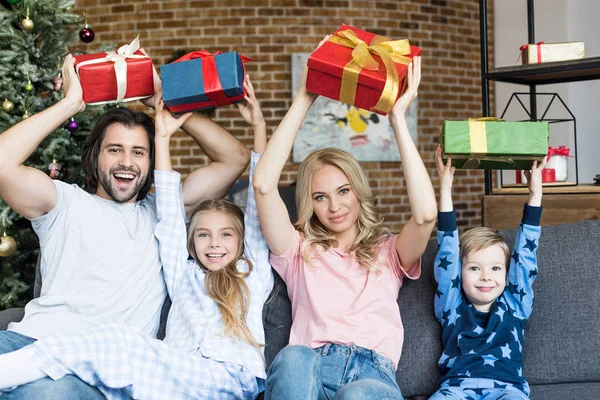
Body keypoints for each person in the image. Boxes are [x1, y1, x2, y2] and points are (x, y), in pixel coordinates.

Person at [0, 75, 273, 399]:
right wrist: (70, 104)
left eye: (139, 152)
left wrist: (166, 104)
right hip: (26, 342)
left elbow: (236, 158)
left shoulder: (165, 214)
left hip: (95, 374)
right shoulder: (64, 202)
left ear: (151, 161)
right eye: (115, 149)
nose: (127, 162)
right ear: (95, 155)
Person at [253, 42, 437, 399]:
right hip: (309, 372)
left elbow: (426, 214)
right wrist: (305, 98)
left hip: (373, 377)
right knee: (291, 358)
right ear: (310, 203)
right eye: (320, 197)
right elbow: (262, 184)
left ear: (358, 192)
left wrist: (398, 119)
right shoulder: (297, 251)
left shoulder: (389, 253)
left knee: (358, 395)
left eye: (343, 191)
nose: (334, 206)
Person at [430, 147, 545, 399]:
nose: (485, 277)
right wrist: (445, 189)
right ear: (460, 274)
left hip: (508, 389)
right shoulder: (451, 305)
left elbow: (525, 259)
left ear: (507, 274)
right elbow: (447, 253)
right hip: (456, 389)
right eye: (474, 268)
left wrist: (535, 193)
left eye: (495, 268)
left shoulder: (516, 304)